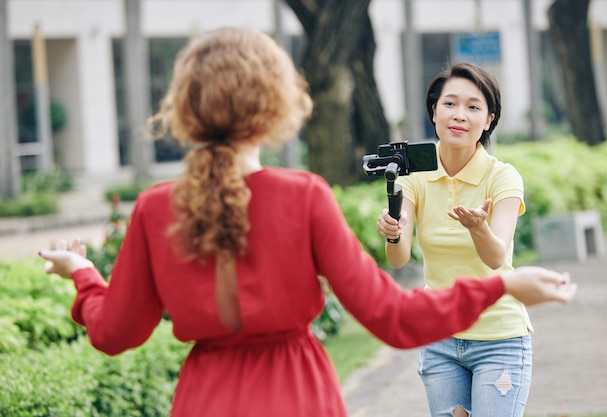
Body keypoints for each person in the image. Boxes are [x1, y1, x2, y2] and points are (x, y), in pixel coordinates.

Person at [39, 29, 576, 417]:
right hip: (299, 394)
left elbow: (113, 332)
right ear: (277, 104)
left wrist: (83, 275)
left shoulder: (155, 207)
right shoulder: (304, 197)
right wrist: (504, 283)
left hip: (204, 399)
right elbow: (392, 316)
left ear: (185, 107)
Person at [377, 62, 539, 417]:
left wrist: (479, 227)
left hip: (500, 338)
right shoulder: (413, 175)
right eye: (449, 104)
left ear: (489, 120)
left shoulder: (503, 178)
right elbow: (399, 259)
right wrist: (394, 230)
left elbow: (497, 257)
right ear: (433, 111)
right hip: (439, 337)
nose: (459, 115)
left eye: (473, 106)